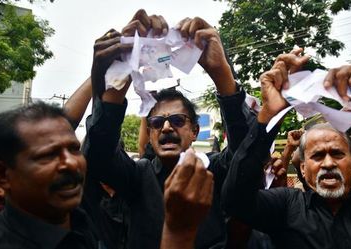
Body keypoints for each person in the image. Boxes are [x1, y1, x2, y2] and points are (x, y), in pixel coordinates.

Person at [84, 9, 253, 249]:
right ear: (151, 135)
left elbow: (246, 152)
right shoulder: (136, 176)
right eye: (156, 123)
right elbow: (98, 154)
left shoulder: (214, 169)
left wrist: (221, 74)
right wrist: (119, 76)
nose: (165, 127)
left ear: (194, 131)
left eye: (177, 120)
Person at [221, 52, 351, 249]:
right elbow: (235, 200)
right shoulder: (286, 205)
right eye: (318, 155)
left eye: (337, 153)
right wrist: (268, 117)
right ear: (303, 168)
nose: (328, 163)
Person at [0, 102, 101, 249]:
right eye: (49, 155)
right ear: (1, 174)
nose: (71, 163)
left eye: (74, 149)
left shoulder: (83, 222)